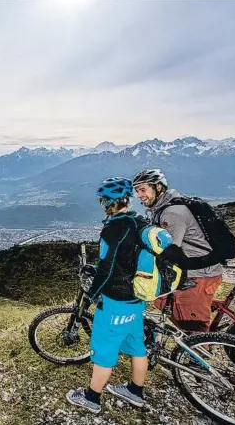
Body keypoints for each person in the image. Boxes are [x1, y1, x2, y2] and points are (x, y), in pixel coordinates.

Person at [66, 177, 148, 414]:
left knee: (104, 348)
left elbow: (107, 267)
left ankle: (91, 398)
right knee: (137, 345)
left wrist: (92, 294)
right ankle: (135, 391)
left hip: (117, 300)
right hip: (137, 295)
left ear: (110, 203)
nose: (102, 204)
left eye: (103, 200)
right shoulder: (138, 222)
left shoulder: (114, 228)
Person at [132, 169, 223, 332]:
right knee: (161, 300)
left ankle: (198, 349)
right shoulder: (163, 208)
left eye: (143, 189)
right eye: (137, 190)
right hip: (194, 269)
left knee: (193, 331)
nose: (139, 195)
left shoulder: (172, 213)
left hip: (198, 274)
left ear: (158, 188)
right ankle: (200, 309)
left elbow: (168, 249)